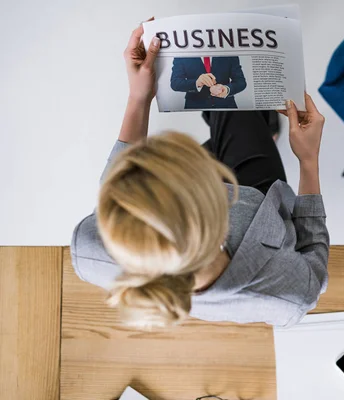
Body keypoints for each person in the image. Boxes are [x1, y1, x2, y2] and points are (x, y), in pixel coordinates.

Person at [70, 23, 329, 328]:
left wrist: (138, 98)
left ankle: (255, 128)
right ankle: (258, 129)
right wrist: (308, 161)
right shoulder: (291, 293)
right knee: (238, 117)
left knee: (227, 105)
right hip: (260, 202)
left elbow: (123, 183)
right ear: (223, 213)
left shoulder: (88, 248)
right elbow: (314, 256)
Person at [170, 56, 247, 109]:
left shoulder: (228, 53)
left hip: (226, 106)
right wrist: (197, 83)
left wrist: (227, 89)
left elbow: (240, 81)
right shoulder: (182, 56)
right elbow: (175, 83)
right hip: (195, 107)